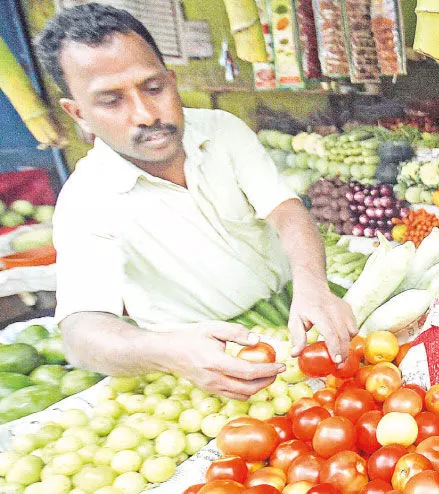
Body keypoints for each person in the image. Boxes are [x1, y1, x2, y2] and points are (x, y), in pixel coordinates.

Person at [35, 3, 357, 400]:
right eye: (111, 101)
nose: (145, 114)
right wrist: (167, 352)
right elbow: (82, 332)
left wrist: (312, 282)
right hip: (205, 364)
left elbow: (286, 211)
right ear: (78, 113)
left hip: (296, 319)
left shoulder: (222, 131)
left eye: (153, 88)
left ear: (171, 80)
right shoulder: (86, 200)